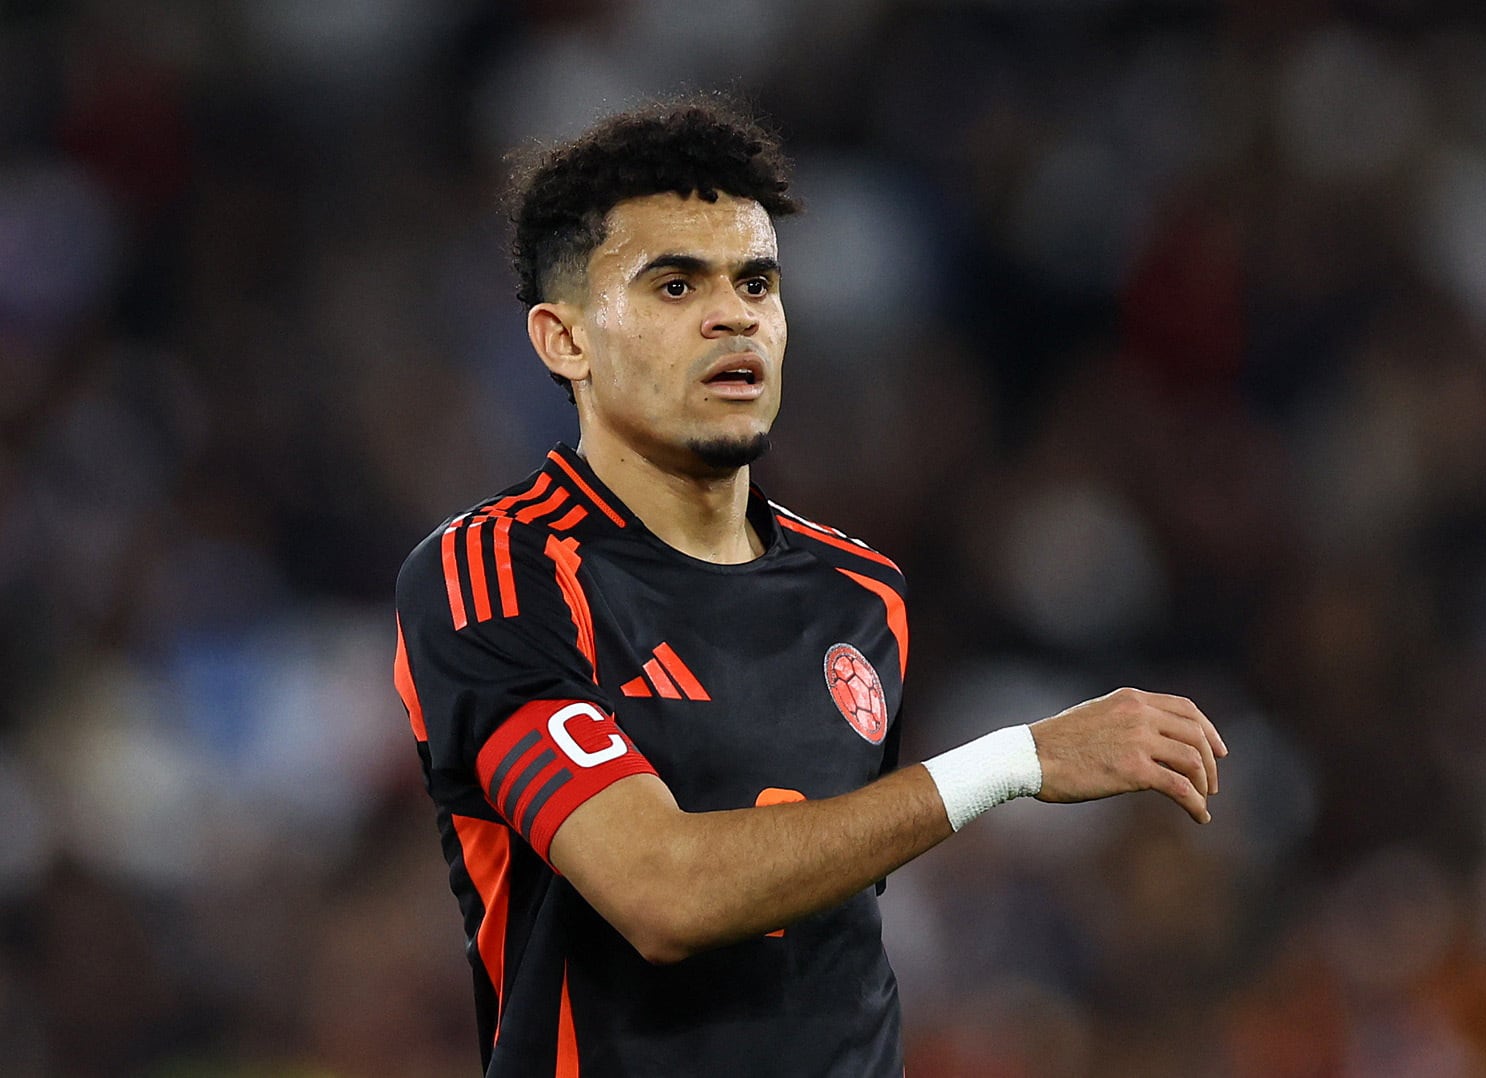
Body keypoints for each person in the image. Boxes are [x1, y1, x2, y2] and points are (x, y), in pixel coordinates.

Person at [393, 97, 1228, 1077]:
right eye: (673, 284)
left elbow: (829, 921)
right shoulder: (498, 573)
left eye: (756, 281)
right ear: (563, 340)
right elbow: (660, 893)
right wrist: (1013, 760)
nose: (732, 314)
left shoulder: (862, 594)